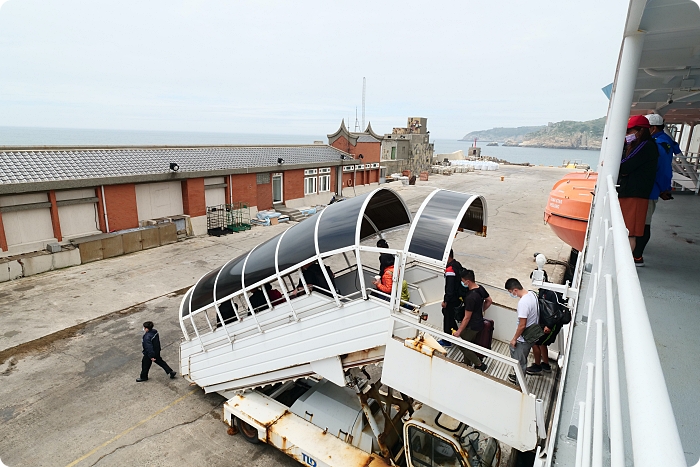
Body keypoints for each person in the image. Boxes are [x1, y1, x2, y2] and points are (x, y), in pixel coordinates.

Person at [632, 113, 678, 266]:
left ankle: (637, 256)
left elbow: (663, 169)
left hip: (649, 189)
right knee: (641, 222)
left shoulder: (659, 144)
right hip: (648, 188)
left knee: (644, 223)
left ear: (651, 128)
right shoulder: (662, 142)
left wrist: (664, 188)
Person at [618, 115, 660, 252]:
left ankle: (628, 261)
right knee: (626, 231)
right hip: (631, 192)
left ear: (641, 130)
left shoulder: (645, 146)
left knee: (630, 232)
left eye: (630, 131)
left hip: (634, 194)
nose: (627, 135)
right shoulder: (638, 145)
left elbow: (624, 166)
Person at [452, 269, 491, 371]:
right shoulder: (480, 289)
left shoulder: (470, 297)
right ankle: (466, 364)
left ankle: (479, 364)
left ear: (467, 281)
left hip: (471, 326)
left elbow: (467, 317)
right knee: (468, 343)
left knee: (462, 345)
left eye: (463, 281)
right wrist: (481, 310)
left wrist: (459, 331)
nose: (462, 283)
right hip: (479, 322)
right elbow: (489, 301)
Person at [504, 278, 539, 384]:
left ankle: (519, 385)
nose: (511, 294)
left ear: (515, 290)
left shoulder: (523, 303)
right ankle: (518, 378)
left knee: (519, 363)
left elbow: (522, 325)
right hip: (532, 334)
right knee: (522, 359)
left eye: (510, 292)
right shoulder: (532, 295)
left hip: (523, 339)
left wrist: (515, 339)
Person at [439, 249, 463, 347]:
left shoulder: (450, 269)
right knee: (448, 314)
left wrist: (446, 301)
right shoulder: (457, 265)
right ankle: (456, 332)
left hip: (452, 299)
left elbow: (450, 288)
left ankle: (447, 340)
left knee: (447, 316)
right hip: (458, 298)